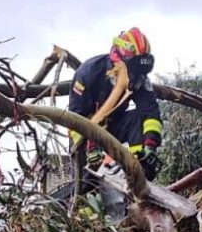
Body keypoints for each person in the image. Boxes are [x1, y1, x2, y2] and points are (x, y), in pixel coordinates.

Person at [67, 27, 163, 182]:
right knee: (85, 180)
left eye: (138, 73)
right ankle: (80, 199)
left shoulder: (139, 78)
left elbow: (150, 112)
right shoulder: (88, 73)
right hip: (84, 131)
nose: (133, 78)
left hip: (113, 125)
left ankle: (138, 170)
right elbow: (76, 119)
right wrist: (91, 146)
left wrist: (150, 145)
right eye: (131, 72)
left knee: (139, 118)